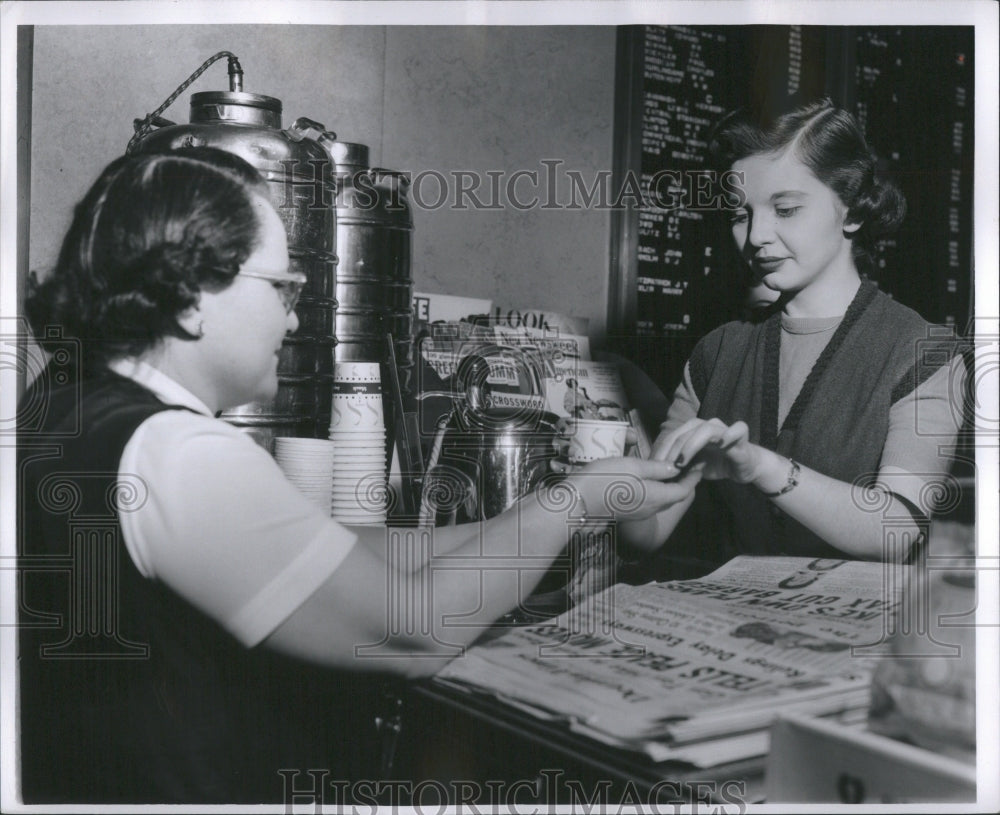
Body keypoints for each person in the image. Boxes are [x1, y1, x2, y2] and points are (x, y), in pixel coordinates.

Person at [16, 147, 700, 804]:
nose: (295, 313)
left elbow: (332, 550)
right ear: (191, 296)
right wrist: (576, 499)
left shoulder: (67, 403)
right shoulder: (180, 451)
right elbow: (415, 633)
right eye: (282, 287)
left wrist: (511, 525)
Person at [615, 99, 967, 570]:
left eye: (785, 209)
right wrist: (614, 480)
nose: (756, 235)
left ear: (853, 210)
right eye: (741, 215)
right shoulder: (715, 355)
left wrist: (762, 466)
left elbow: (896, 529)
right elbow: (647, 536)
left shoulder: (926, 354)